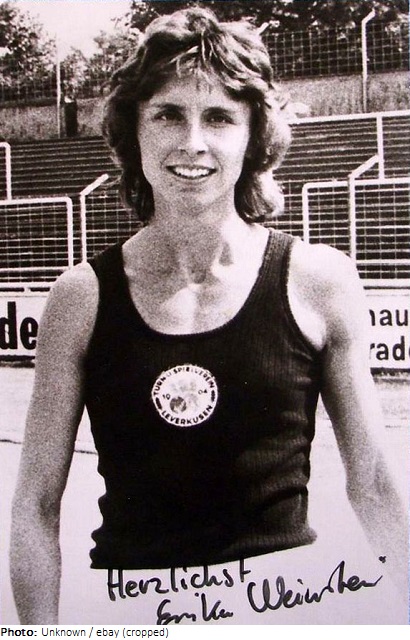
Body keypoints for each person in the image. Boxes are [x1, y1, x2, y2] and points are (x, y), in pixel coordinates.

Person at [10, 7, 407, 624]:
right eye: (168, 114)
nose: (192, 142)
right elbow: (36, 507)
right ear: (134, 131)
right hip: (135, 619)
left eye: (219, 117)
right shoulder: (80, 298)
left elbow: (376, 482)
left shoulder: (320, 281)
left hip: (285, 613)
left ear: (253, 137)